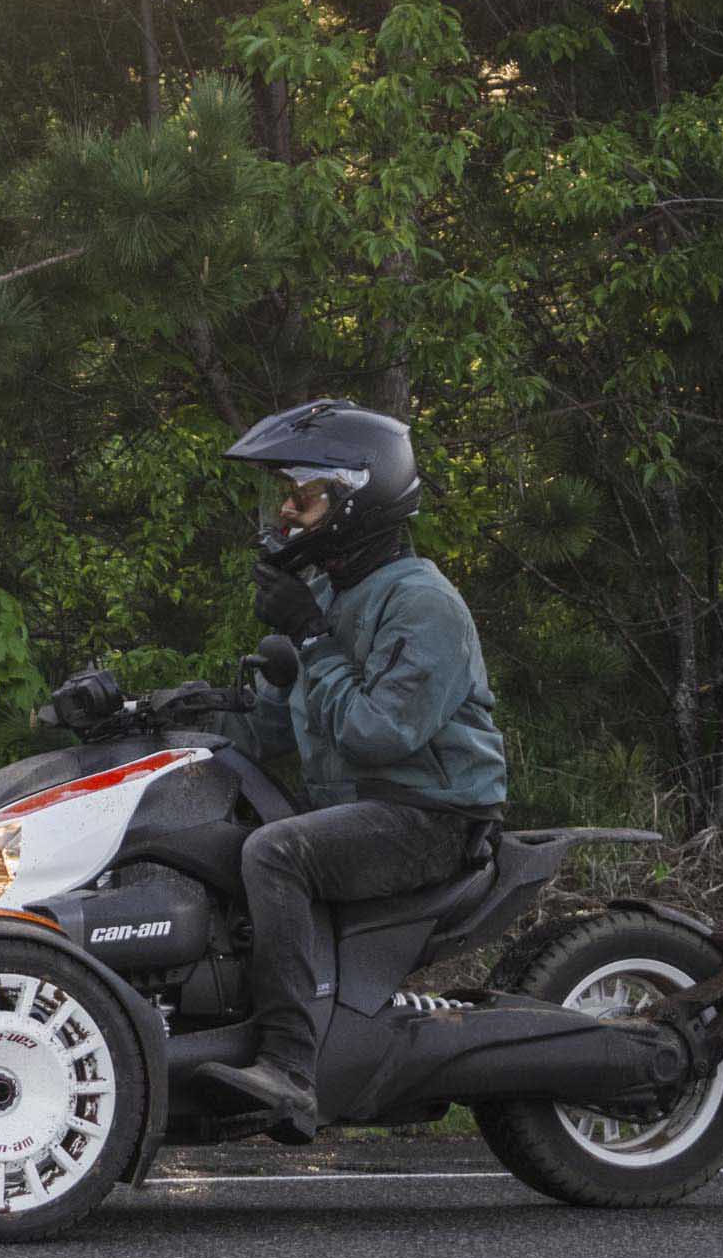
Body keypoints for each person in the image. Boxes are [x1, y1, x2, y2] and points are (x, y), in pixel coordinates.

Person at [202, 399, 506, 1135]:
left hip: (429, 815)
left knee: (275, 853)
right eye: (285, 497)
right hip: (363, 808)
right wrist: (169, 723)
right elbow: (274, 728)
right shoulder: (338, 595)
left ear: (353, 498)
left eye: (302, 498)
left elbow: (378, 732)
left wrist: (309, 638)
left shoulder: (422, 602)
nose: (285, 513)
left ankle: (288, 1070)